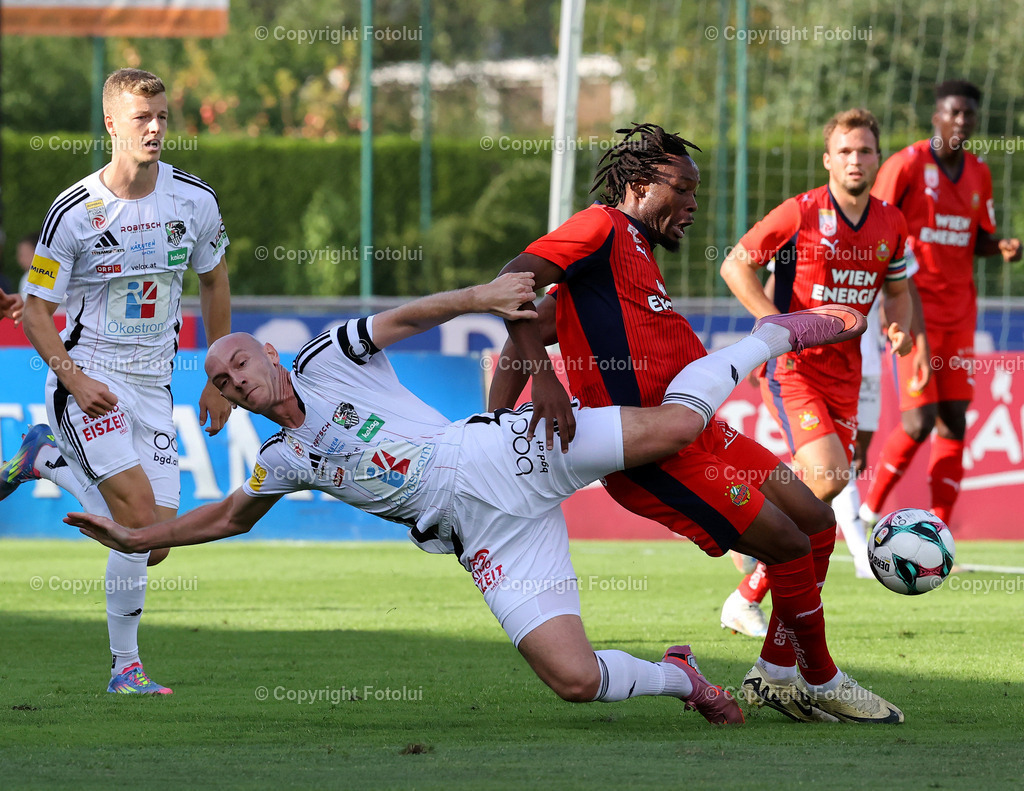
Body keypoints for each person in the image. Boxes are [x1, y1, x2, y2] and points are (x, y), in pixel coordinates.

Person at [64, 272, 861, 722]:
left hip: (502, 455)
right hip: (481, 539)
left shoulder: (325, 357)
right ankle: (684, 677)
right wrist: (142, 539)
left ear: (267, 354)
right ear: (232, 398)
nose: (237, 376)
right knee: (573, 681)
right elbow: (229, 516)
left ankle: (769, 337)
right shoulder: (283, 457)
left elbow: (404, 316)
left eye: (241, 360)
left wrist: (480, 294)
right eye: (224, 379)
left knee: (674, 429)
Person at [489, 123, 903, 724]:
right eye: (682, 188)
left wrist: (500, 409)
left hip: (701, 433)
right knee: (787, 544)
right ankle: (821, 677)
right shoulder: (601, 227)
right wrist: (530, 395)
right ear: (637, 184)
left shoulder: (631, 255)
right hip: (654, 454)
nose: (693, 204)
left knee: (815, 524)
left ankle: (777, 673)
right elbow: (513, 282)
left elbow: (530, 328)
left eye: (695, 191)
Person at [15, 67, 233, 695]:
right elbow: (36, 308)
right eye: (143, 117)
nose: (157, 127)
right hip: (93, 384)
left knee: (155, 542)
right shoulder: (74, 212)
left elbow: (214, 280)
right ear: (112, 124)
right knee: (137, 520)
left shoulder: (194, 200)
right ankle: (125, 669)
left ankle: (48, 461)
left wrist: (218, 376)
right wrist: (73, 379)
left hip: (156, 388)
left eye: (163, 115)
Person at [718, 108, 918, 631]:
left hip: (848, 373)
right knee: (828, 476)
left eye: (866, 150)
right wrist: (775, 321)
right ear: (828, 159)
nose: (856, 159)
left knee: (818, 490)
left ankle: (741, 514)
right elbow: (735, 263)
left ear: (878, 159)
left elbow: (898, 293)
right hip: (794, 366)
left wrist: (898, 327)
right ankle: (744, 595)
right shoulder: (799, 212)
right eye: (846, 151)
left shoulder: (891, 223)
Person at [861, 80, 1022, 529]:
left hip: (960, 313)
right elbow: (874, 226)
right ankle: (867, 512)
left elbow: (977, 239)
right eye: (954, 112)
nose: (962, 121)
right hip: (912, 310)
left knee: (954, 419)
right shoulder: (905, 165)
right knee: (918, 422)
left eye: (969, 114)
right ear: (937, 116)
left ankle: (940, 532)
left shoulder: (978, 172)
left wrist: (1002, 246)